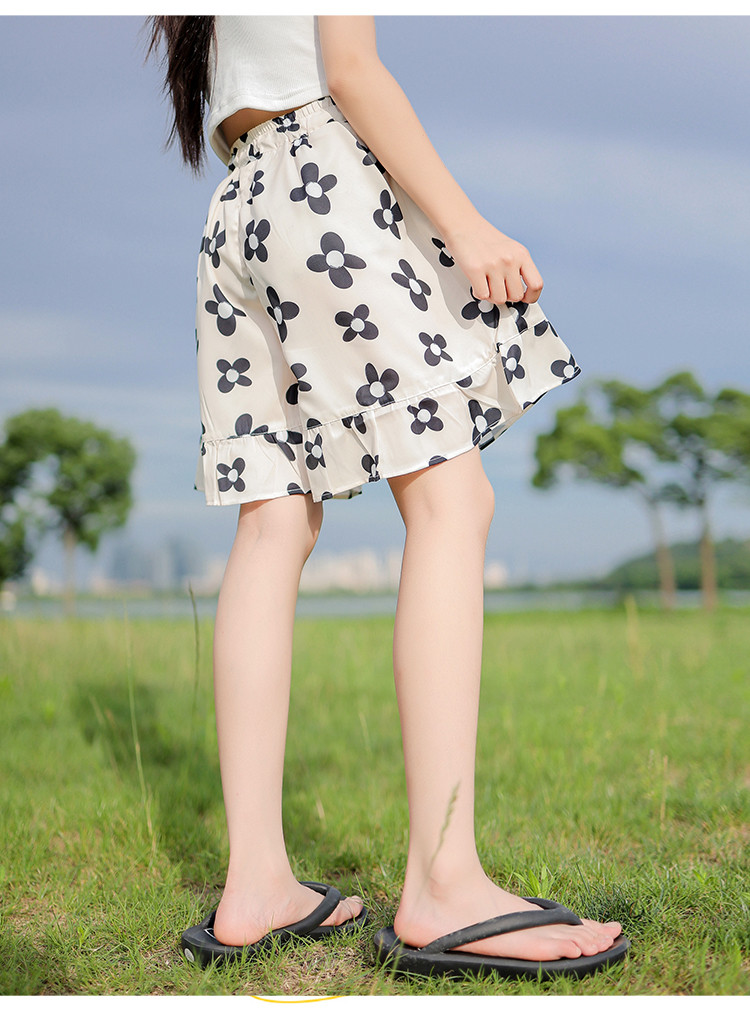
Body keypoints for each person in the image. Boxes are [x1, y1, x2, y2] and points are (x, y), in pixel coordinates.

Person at [146, 14, 629, 979]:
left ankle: (256, 882)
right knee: (452, 501)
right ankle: (444, 881)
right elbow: (353, 71)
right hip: (325, 184)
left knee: (274, 521)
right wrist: (466, 224)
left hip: (241, 204)